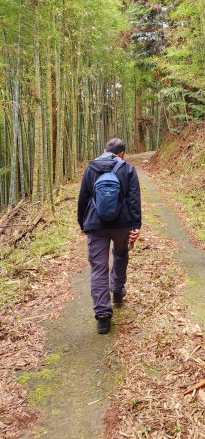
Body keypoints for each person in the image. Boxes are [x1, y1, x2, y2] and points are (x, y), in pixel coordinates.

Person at [77, 138, 141, 334]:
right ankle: (117, 291)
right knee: (121, 255)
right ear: (121, 153)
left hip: (96, 225)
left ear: (105, 151)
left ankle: (103, 316)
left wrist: (82, 223)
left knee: (98, 267)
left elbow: (83, 198)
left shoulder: (91, 168)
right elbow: (133, 199)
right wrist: (136, 225)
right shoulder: (127, 169)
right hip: (122, 224)